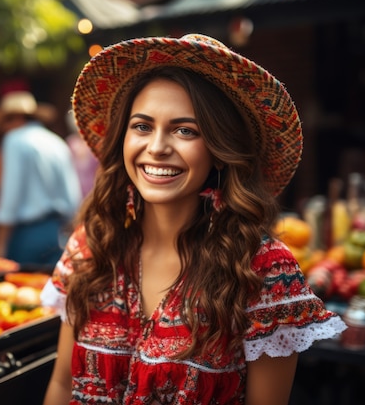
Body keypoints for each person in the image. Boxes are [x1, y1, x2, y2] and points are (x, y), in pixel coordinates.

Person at [41, 34, 346, 405]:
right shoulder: (91, 245)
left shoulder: (263, 270)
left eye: (185, 130)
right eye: (142, 126)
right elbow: (60, 384)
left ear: (220, 151)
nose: (157, 147)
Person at [0, 90, 82, 270]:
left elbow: (10, 197)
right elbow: (73, 198)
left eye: (5, 122)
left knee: (20, 293)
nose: (3, 128)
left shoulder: (14, 140)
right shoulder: (56, 142)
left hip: (26, 235)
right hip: (56, 234)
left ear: (15, 118)